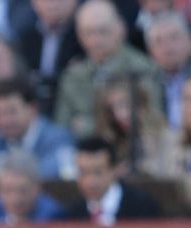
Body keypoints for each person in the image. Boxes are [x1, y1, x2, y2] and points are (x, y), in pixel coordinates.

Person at [53, 0, 158, 138]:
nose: (96, 40)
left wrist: (87, 125)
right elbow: (62, 129)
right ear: (79, 36)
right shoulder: (73, 75)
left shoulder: (143, 68)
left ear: (121, 29)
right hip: (85, 155)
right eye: (88, 33)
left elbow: (152, 121)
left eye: (103, 31)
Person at [0, 75, 75, 179]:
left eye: (11, 112)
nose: (4, 121)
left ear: (32, 109)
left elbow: (54, 172)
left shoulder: (59, 137)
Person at [93, 70, 180, 178]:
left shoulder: (165, 134)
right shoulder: (111, 137)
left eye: (124, 105)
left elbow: (168, 174)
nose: (119, 115)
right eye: (111, 109)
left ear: (141, 104)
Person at [64, 134, 162, 223]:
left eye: (98, 173)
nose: (90, 181)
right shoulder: (71, 215)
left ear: (114, 170)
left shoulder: (142, 207)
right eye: (83, 173)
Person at [0, 147, 65, 222]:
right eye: (7, 190)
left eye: (23, 191)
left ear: (38, 188)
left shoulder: (51, 212)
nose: (15, 199)